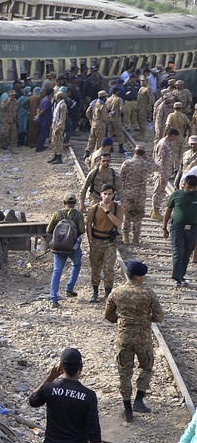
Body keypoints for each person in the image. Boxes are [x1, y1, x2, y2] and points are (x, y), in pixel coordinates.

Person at [105, 261, 164, 420]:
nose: (144, 278)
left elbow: (108, 315)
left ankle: (127, 409)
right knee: (146, 367)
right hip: (143, 338)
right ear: (138, 277)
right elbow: (159, 317)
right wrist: (144, 319)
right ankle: (139, 400)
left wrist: (122, 320)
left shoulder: (117, 292)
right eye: (143, 275)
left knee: (124, 372)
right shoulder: (148, 293)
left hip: (124, 337)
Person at [46, 193, 86, 307]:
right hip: (73, 248)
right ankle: (69, 288)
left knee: (57, 271)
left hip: (58, 248)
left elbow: (49, 229)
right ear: (75, 203)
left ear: (64, 203)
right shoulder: (78, 215)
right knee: (76, 265)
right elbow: (82, 230)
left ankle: (53, 299)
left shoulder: (58, 213)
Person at [85, 184, 123, 303]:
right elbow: (89, 224)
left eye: (109, 194)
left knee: (108, 268)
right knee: (95, 268)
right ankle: (95, 291)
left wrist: (107, 211)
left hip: (110, 242)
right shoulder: (94, 208)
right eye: (105, 194)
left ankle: (108, 293)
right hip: (96, 241)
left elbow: (118, 223)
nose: (107, 196)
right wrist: (90, 239)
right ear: (101, 194)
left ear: (113, 195)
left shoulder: (117, 208)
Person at [119, 146, 160, 245]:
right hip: (140, 194)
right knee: (138, 216)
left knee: (126, 215)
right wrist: (147, 158)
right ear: (143, 154)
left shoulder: (127, 163)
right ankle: (135, 239)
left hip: (128, 193)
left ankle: (126, 238)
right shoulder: (145, 164)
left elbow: (121, 178)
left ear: (134, 153)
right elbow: (157, 167)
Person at [162, 174, 197, 287]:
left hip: (192, 228)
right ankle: (177, 277)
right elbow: (168, 211)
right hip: (177, 227)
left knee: (187, 252)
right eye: (189, 187)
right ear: (183, 185)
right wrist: (164, 228)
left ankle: (181, 276)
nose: (191, 189)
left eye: (194, 187)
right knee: (178, 252)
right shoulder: (176, 195)